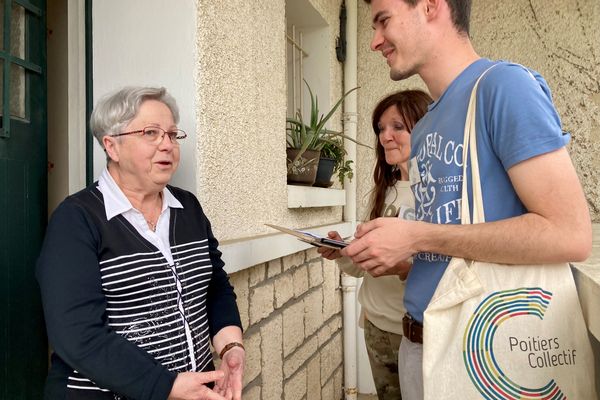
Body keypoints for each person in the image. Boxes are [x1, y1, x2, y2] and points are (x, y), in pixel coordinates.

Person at [345, 0, 592, 399]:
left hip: (486, 354)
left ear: (430, 6)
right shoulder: (425, 127)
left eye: (383, 20)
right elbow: (448, 253)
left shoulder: (504, 87)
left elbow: (569, 234)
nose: (374, 41)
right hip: (419, 346)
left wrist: (417, 236)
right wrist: (397, 254)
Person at [36, 87, 245, 400]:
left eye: (173, 134)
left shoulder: (188, 208)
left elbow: (215, 286)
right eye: (151, 133)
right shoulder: (76, 219)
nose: (167, 145)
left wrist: (231, 346)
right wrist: (166, 386)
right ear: (112, 146)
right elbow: (77, 334)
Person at [319, 89, 432, 400]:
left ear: (424, 127)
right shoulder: (385, 191)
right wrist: (342, 253)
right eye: (381, 128)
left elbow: (451, 265)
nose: (386, 136)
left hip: (422, 335)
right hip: (377, 327)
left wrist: (405, 268)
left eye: (397, 127)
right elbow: (365, 266)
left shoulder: (441, 193)